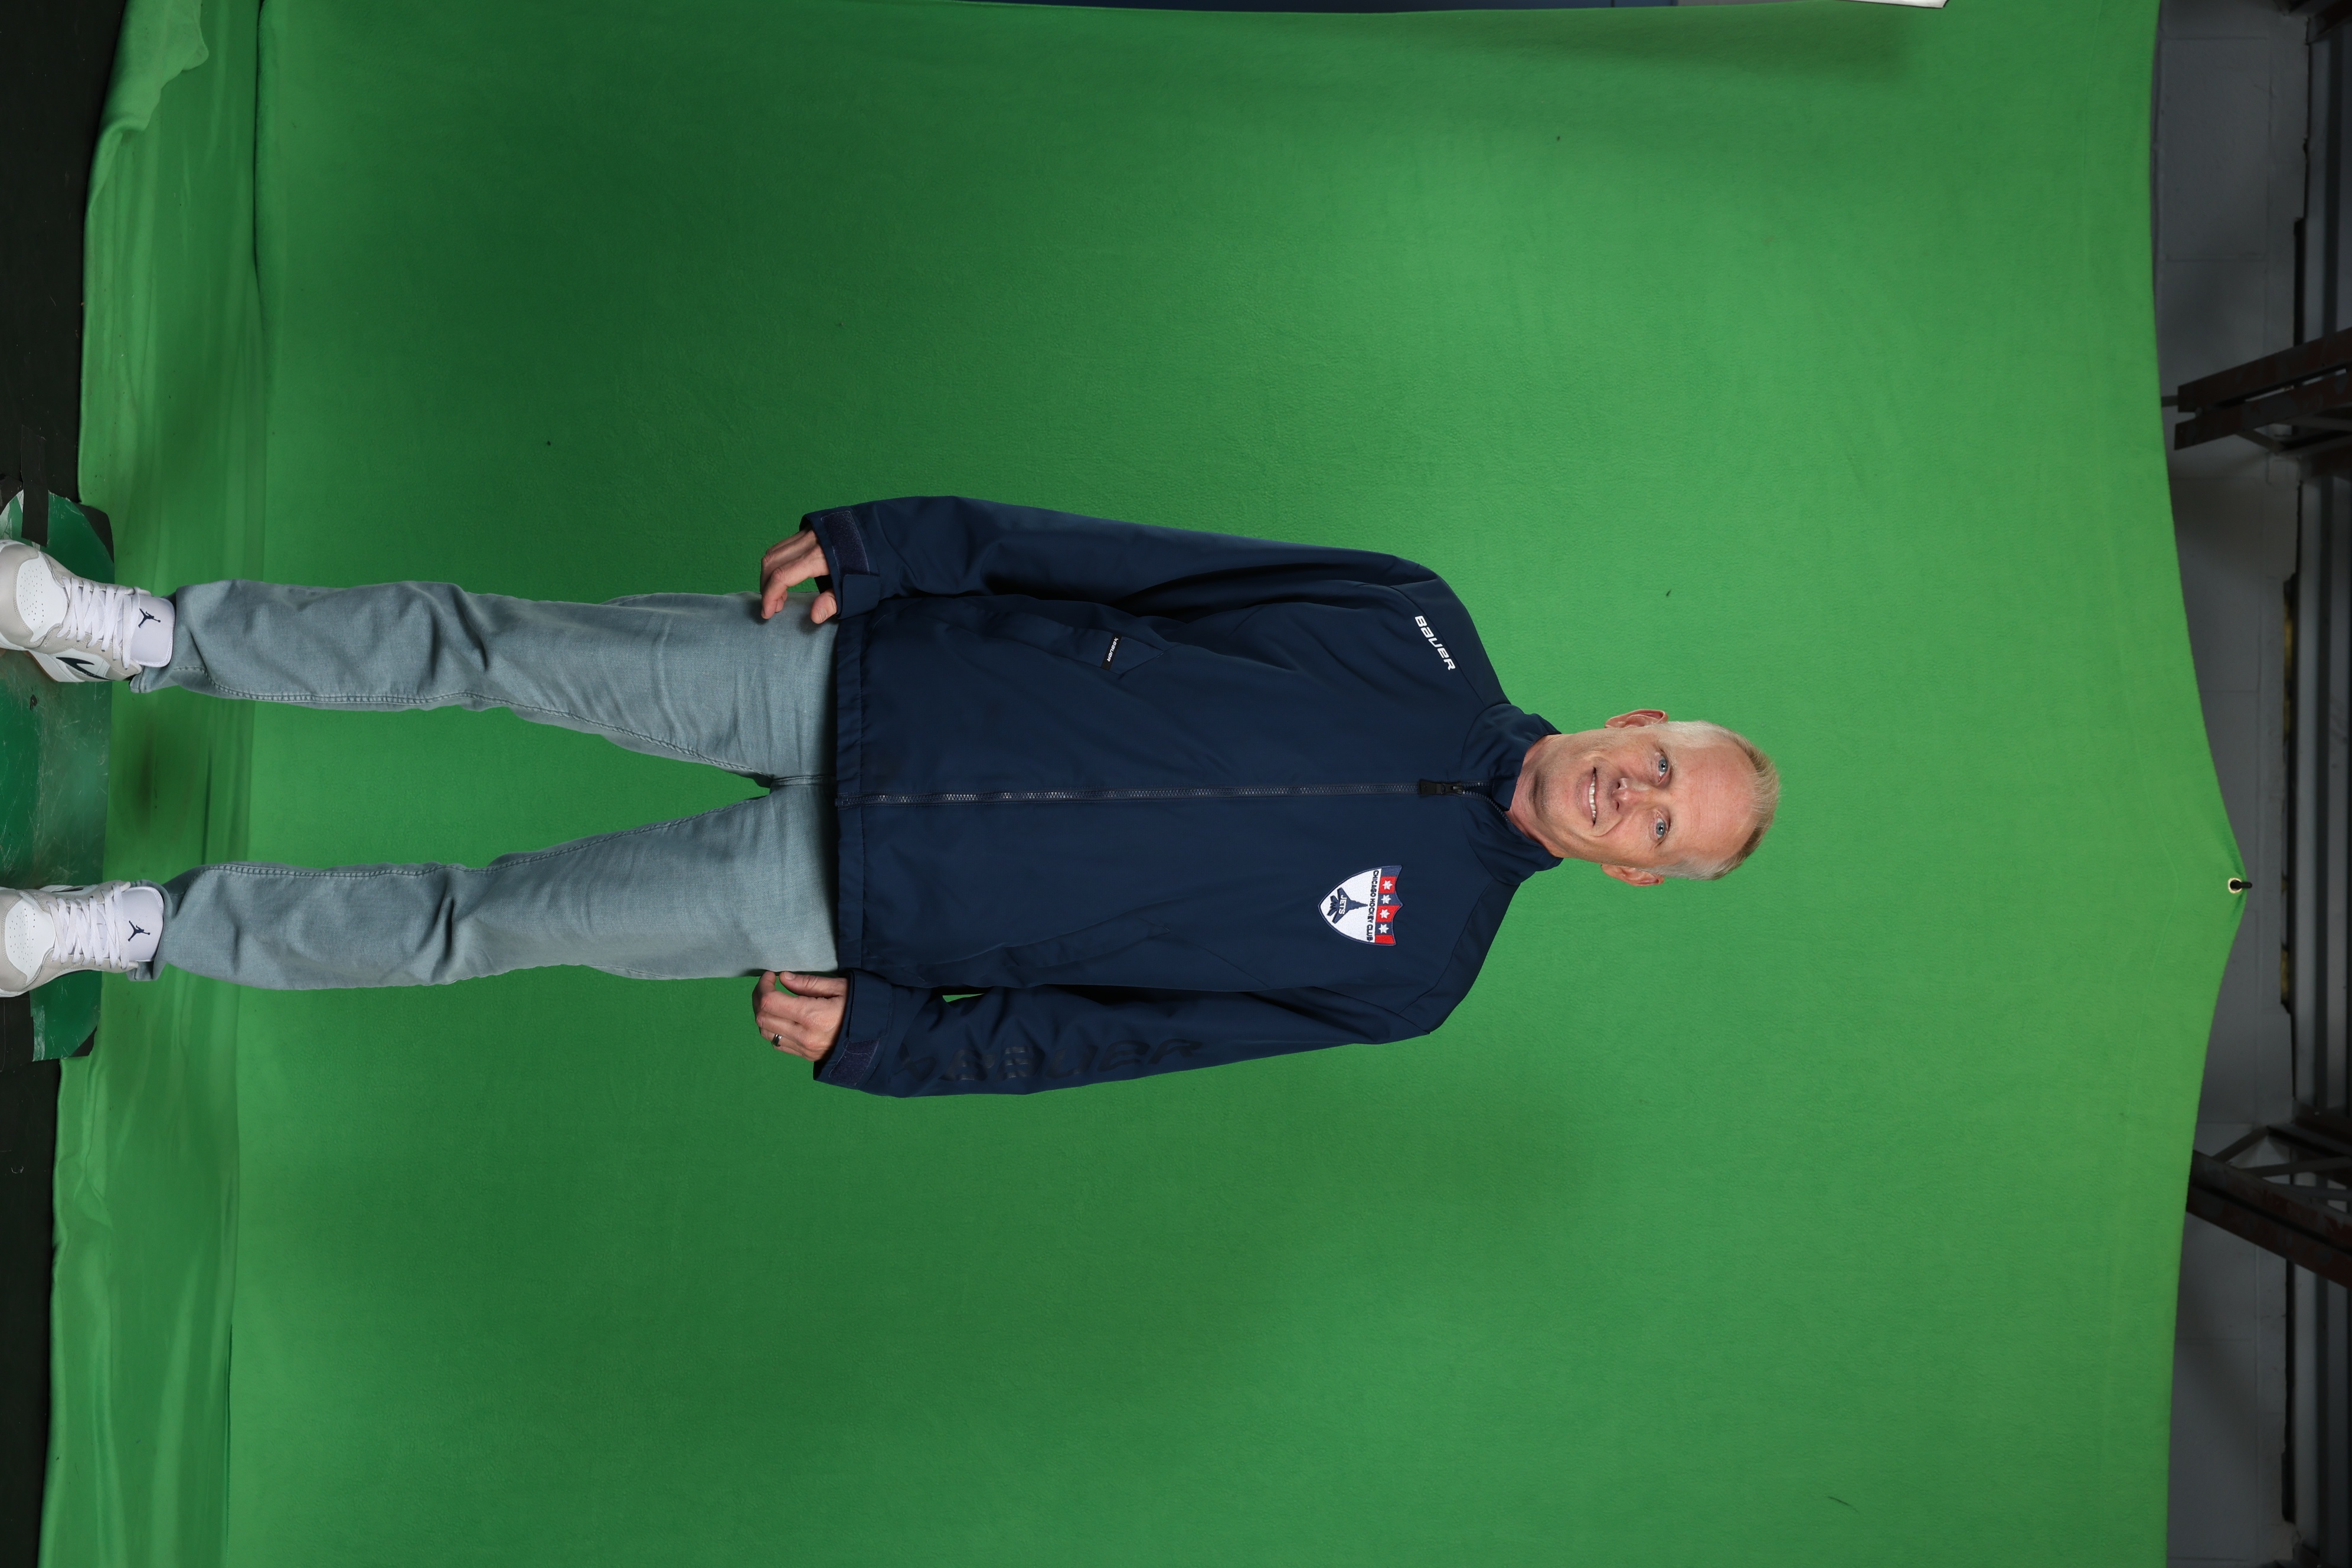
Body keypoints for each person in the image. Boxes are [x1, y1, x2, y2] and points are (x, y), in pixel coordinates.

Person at [0, 494, 1778, 1096]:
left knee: (485, 925)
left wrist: (897, 1043)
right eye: (1658, 763)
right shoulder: (1410, 621)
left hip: (861, 907)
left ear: (1637, 874)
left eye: (1658, 825)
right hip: (870, 677)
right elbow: (1131, 567)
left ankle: (132, 929)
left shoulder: (1414, 974)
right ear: (1639, 716)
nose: (1631, 793)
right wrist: (900, 545)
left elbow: (1132, 1037)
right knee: (493, 644)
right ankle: (139, 636)